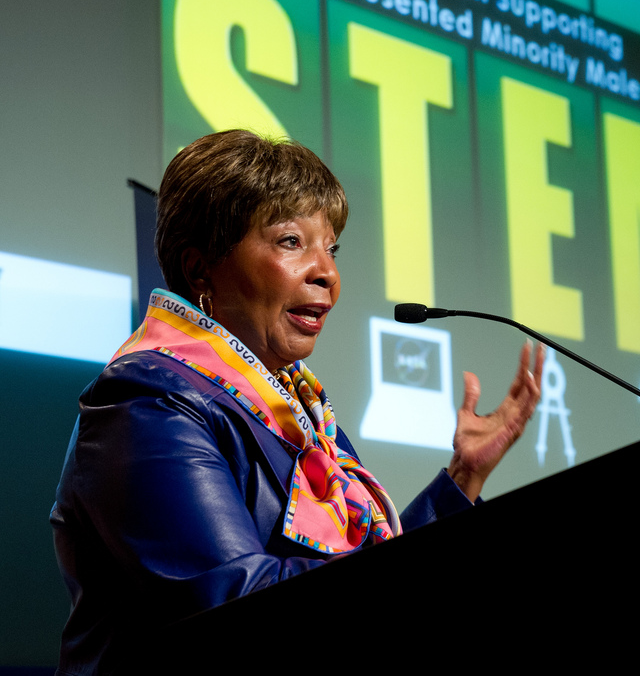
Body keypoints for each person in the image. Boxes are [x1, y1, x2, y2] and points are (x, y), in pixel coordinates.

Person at [50, 130, 544, 673]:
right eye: (290, 242)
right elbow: (239, 605)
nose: (326, 273)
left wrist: (461, 481)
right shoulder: (147, 403)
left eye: (330, 248)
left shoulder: (298, 409)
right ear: (199, 269)